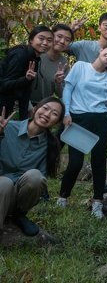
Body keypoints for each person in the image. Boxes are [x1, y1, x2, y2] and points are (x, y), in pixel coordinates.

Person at [58, 44, 107, 219]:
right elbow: (68, 89)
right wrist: (67, 112)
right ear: (100, 51)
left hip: (100, 120)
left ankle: (98, 202)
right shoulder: (80, 67)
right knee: (75, 162)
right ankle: (63, 197)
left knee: (99, 161)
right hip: (79, 119)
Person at [0, 97, 64, 237]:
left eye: (54, 113)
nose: (47, 114)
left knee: (35, 176)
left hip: (18, 197)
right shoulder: (7, 127)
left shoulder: (50, 145)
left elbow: (40, 181)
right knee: (4, 182)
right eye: (45, 108)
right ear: (35, 109)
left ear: (57, 122)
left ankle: (19, 215)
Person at [67, 12, 107, 126]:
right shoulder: (83, 46)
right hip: (78, 107)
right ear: (99, 27)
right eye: (106, 25)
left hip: (102, 109)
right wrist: (71, 30)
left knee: (98, 141)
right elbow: (61, 46)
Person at [0, 26, 53, 120]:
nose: (45, 43)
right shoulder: (21, 54)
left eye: (49, 40)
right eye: (41, 38)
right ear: (31, 40)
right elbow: (3, 84)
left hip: (7, 104)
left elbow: (26, 90)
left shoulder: (35, 59)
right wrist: (25, 79)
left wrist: (24, 119)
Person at [30, 24, 73, 105]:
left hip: (43, 106)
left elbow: (60, 94)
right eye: (59, 36)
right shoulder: (37, 53)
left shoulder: (64, 63)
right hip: (22, 103)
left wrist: (58, 83)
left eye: (67, 40)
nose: (62, 41)